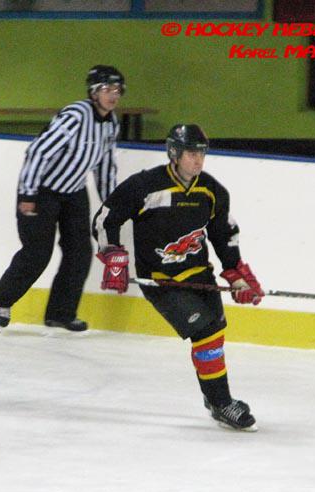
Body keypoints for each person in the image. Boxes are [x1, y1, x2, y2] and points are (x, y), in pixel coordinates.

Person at [93, 124, 263, 431]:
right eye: (191, 153)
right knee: (206, 332)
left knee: (213, 336)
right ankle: (222, 402)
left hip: (200, 276)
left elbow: (223, 236)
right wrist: (113, 256)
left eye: (202, 153)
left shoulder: (211, 191)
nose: (198, 160)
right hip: (162, 282)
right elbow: (106, 218)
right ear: (174, 153)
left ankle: (213, 398)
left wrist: (237, 276)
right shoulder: (146, 186)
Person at [0, 65, 124, 332]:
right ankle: (3, 299)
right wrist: (28, 193)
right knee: (37, 253)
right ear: (93, 92)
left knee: (80, 253)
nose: (113, 95)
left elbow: (105, 168)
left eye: (117, 90)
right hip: (41, 191)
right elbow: (38, 151)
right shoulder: (76, 115)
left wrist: (113, 205)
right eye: (107, 89)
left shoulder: (111, 123)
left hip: (74, 192)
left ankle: (60, 314)